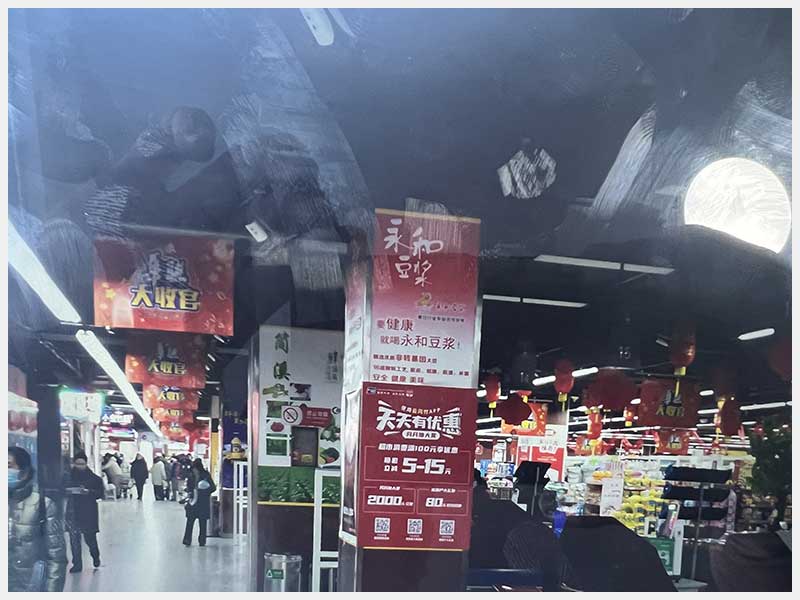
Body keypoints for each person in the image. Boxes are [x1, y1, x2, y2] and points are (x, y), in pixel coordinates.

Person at [8, 446, 67, 592]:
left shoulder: (43, 505)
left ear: (24, 472)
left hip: (28, 586)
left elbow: (56, 558)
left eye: (8, 466)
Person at [64, 451, 104, 573]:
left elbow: (100, 494)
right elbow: (61, 489)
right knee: (74, 539)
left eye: (82, 464)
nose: (79, 466)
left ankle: (95, 556)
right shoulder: (67, 477)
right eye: (77, 464)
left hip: (88, 511)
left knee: (90, 538)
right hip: (73, 511)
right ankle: (77, 564)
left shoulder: (95, 479)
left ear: (86, 464)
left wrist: (88, 492)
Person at [183, 458, 216, 546]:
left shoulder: (206, 475)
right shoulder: (191, 475)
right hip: (193, 501)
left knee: (202, 522)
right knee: (190, 521)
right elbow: (189, 487)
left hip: (202, 501)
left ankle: (201, 540)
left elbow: (213, 488)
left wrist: (204, 491)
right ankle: (187, 540)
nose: (194, 470)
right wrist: (189, 491)